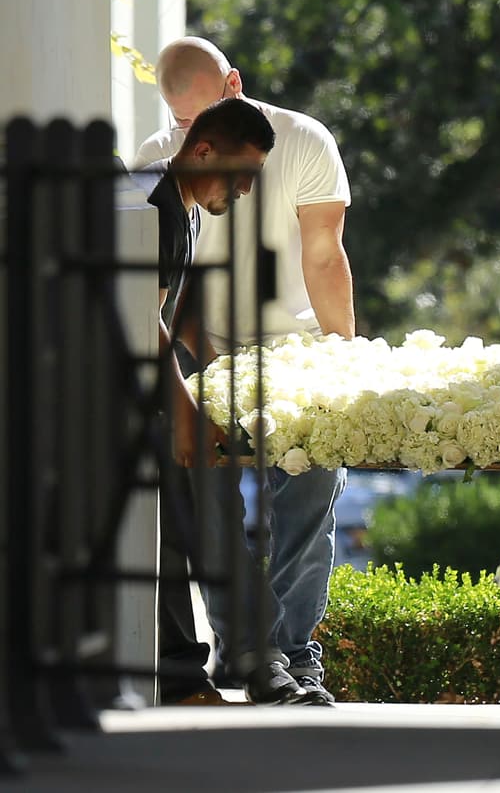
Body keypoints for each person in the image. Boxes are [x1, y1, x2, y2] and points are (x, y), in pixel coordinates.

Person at [133, 36, 355, 706]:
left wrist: (346, 362)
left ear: (234, 88)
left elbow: (324, 257)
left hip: (298, 349)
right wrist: (188, 397)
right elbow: (156, 313)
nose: (246, 188)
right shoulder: (156, 186)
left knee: (305, 495)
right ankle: (245, 660)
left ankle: (283, 655)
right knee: (201, 508)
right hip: (196, 362)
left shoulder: (304, 140)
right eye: (180, 126)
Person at [131, 97, 275, 705]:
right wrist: (189, 412)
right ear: (204, 150)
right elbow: (145, 317)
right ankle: (182, 679)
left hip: (153, 395)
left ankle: (190, 672)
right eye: (240, 172)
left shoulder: (186, 209)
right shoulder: (158, 206)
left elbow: (176, 311)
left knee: (173, 532)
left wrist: (220, 369)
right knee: (165, 537)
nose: (244, 189)